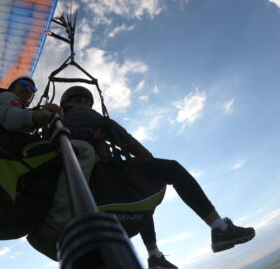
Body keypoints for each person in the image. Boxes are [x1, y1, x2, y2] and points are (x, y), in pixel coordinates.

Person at [59, 86, 256, 269]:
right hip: (103, 184)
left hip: (79, 193)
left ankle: (155, 257)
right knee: (169, 170)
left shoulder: (53, 122)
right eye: (79, 100)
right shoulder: (86, 116)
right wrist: (149, 163)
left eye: (86, 102)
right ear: (68, 103)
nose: (84, 105)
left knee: (142, 194)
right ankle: (219, 227)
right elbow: (126, 139)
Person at [0, 76, 96, 260]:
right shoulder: (5, 98)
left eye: (32, 89)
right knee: (82, 150)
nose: (29, 90)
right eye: (24, 85)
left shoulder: (18, 107)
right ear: (12, 87)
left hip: (3, 153)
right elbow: (11, 118)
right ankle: (53, 226)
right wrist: (38, 116)